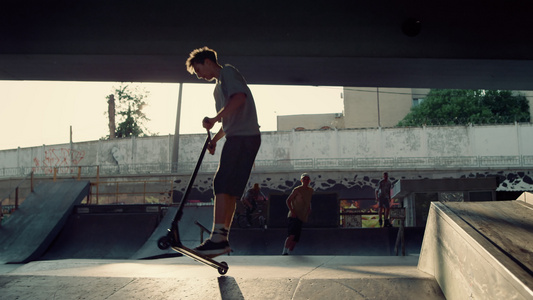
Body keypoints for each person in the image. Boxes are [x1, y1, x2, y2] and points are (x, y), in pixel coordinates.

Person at [186, 47, 261, 257]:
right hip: (240, 136)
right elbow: (229, 118)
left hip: (243, 137)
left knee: (221, 183)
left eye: (198, 69)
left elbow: (239, 99)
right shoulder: (217, 88)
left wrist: (214, 118)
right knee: (229, 189)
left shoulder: (228, 72)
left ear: (208, 61)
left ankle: (217, 239)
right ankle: (222, 238)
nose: (198, 75)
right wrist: (216, 140)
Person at [282, 173, 313, 255]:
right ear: (301, 180)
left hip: (302, 216)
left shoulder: (310, 191)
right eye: (304, 179)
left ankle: (288, 252)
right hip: (294, 215)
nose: (306, 181)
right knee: (291, 235)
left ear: (309, 181)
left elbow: (308, 200)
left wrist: (309, 208)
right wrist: (292, 211)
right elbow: (288, 200)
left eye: (307, 179)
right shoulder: (297, 190)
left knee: (295, 239)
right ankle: (284, 251)